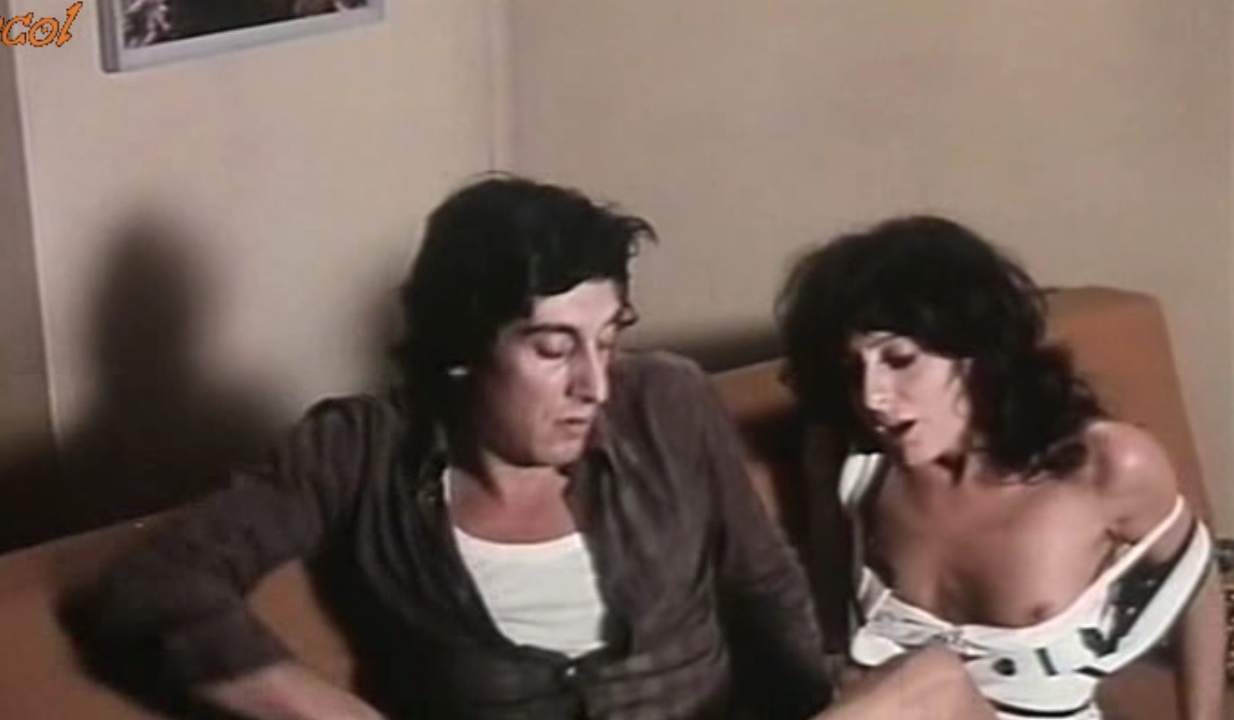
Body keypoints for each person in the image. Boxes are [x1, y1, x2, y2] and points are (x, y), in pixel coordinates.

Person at [72, 177, 994, 720]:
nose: (596, 384)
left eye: (609, 340)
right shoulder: (359, 450)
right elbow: (152, 591)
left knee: (934, 682)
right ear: (463, 349)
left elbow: (761, 585)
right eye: (554, 349)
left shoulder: (667, 402)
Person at [775, 215, 1226, 720]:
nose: (873, 397)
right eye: (851, 370)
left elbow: (1198, 590)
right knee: (921, 678)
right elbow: (832, 625)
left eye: (900, 360)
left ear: (976, 352)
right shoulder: (852, 465)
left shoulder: (1107, 465)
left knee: (936, 674)